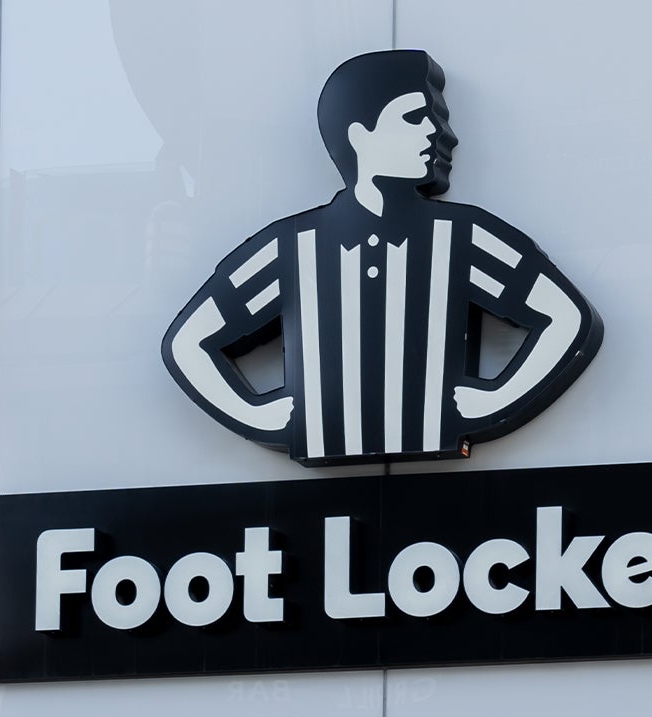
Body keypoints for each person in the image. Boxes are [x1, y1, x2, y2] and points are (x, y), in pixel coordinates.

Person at [163, 49, 603, 467]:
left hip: (435, 452)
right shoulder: (293, 246)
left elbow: (566, 316)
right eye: (414, 118)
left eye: (435, 119)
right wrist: (255, 414)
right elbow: (187, 343)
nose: (436, 133)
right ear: (359, 134)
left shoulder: (462, 236)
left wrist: (498, 398)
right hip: (326, 467)